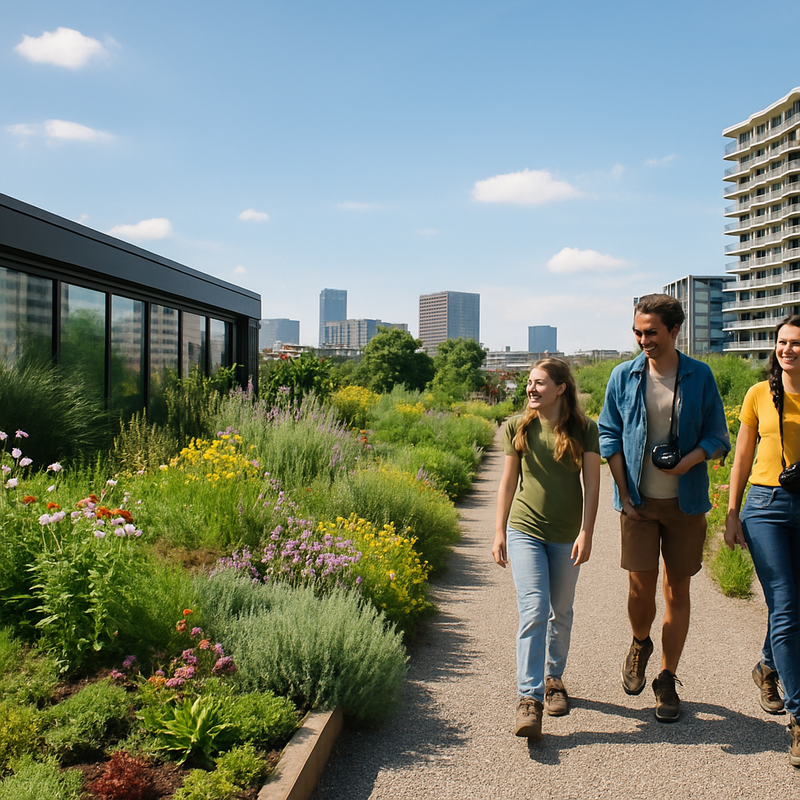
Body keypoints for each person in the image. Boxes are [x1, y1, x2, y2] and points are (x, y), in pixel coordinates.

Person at [598, 294, 729, 723]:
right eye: (637, 332)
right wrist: (625, 494)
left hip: (686, 504)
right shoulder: (623, 375)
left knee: (678, 591)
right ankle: (640, 642)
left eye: (651, 332)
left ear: (675, 331)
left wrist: (687, 462)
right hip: (637, 503)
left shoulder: (700, 376)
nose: (643, 340)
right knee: (640, 588)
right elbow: (609, 436)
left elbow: (717, 437)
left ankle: (667, 678)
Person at [493, 358, 600, 739]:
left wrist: (586, 531)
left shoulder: (586, 430)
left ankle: (554, 678)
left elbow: (592, 485)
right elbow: (508, 484)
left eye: (539, 383)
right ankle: (529, 698)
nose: (531, 389)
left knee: (562, 611)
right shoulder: (517, 427)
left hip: (566, 535)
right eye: (528, 383)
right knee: (534, 608)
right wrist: (499, 531)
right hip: (525, 529)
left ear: (560, 388)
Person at [724, 315, 800, 767]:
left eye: (795, 343)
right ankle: (798, 718)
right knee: (787, 605)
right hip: (764, 508)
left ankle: (768, 667)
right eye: (782, 342)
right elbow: (741, 459)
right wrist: (732, 514)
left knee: (794, 605)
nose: (787, 350)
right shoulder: (758, 394)